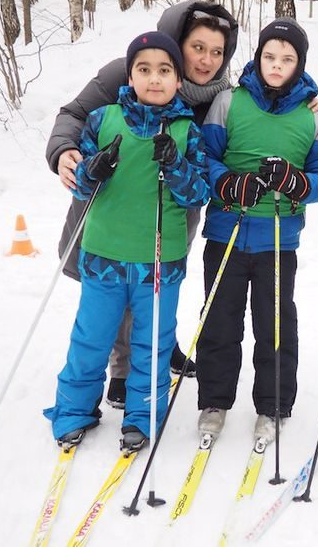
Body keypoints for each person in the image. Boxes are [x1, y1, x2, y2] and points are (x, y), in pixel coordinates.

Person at [45, 1, 318, 409]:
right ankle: (123, 369)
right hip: (115, 200)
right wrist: (63, 151)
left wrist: (305, 102)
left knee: (157, 280)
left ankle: (159, 349)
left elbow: (244, 123)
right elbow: (74, 114)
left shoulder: (220, 95)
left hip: (173, 202)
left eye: (217, 52)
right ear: (178, 44)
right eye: (197, 48)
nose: (207, 60)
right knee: (116, 282)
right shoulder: (130, 70)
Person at [44, 32, 210, 449]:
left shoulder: (187, 131)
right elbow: (81, 186)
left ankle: (143, 414)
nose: (154, 78)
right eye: (144, 69)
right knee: (91, 339)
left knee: (152, 344)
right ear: (130, 76)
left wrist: (175, 166)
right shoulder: (103, 120)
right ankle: (73, 409)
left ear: (178, 80)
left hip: (160, 262)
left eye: (164, 70)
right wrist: (93, 170)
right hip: (104, 257)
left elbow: (198, 195)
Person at [197, 17, 318, 443]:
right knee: (219, 320)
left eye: (287, 59)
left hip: (278, 238)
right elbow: (204, 156)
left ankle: (273, 405)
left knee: (275, 324)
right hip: (227, 232)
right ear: (257, 58)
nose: (276, 65)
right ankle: (214, 401)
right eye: (269, 56)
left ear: (299, 64)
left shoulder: (313, 117)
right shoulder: (228, 102)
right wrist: (227, 182)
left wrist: (299, 183)